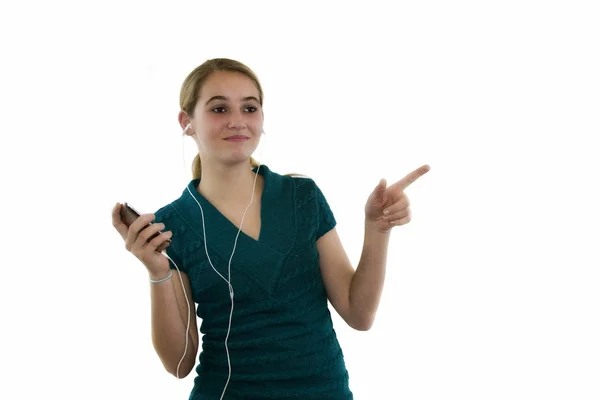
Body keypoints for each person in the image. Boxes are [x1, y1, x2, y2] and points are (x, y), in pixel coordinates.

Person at [111, 58, 430, 400]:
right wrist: (157, 272)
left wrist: (377, 230)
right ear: (187, 122)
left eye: (250, 108)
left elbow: (359, 313)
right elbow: (178, 365)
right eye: (219, 109)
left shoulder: (301, 197)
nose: (237, 121)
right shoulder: (173, 226)